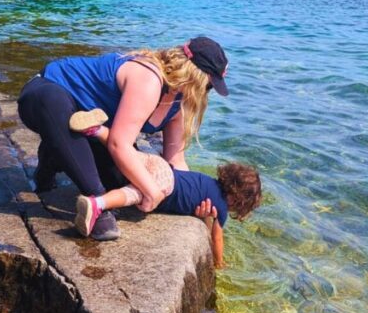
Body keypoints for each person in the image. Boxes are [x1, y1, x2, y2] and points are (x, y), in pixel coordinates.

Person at [16, 37, 229, 241]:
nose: (206, 94)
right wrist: (151, 191)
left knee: (122, 178)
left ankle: (55, 155)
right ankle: (97, 204)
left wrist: (195, 199)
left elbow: (176, 161)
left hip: (91, 126)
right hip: (46, 94)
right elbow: (119, 144)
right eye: (209, 86)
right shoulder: (150, 79)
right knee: (56, 107)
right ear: (194, 75)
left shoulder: (177, 104)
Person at [69, 109, 262, 268]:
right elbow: (217, 238)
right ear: (236, 200)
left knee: (131, 155)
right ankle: (99, 203)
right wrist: (219, 263)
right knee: (135, 194)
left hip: (162, 166)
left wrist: (204, 217)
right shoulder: (220, 206)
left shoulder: (208, 181)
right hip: (165, 184)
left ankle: (97, 130)